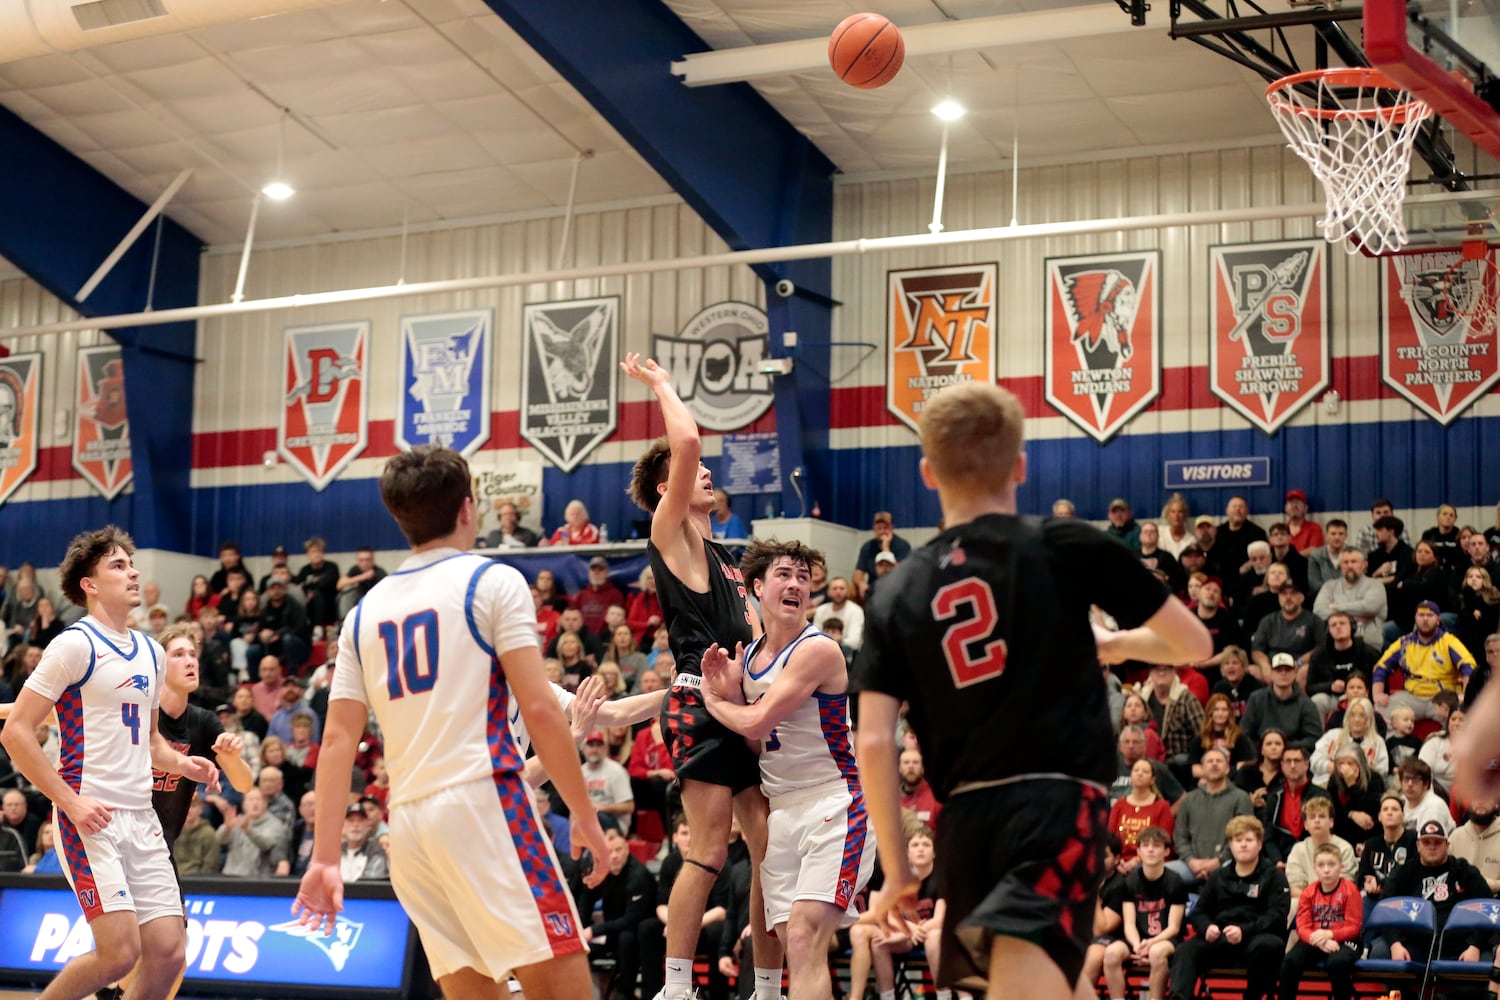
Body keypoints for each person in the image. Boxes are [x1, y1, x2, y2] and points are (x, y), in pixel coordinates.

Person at [851, 382, 1211, 1000]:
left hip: (963, 820)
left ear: (927, 473)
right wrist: (1119, 643)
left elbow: (876, 740)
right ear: (1020, 464)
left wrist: (895, 868)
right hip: (1054, 805)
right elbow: (1194, 645)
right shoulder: (1063, 544)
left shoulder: (893, 588)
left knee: (1027, 984)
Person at [291, 446, 607, 1000]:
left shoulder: (363, 612)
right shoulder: (493, 581)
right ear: (468, 509)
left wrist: (323, 857)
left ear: (399, 517)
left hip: (409, 826)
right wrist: (582, 813)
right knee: (565, 988)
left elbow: (338, 740)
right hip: (484, 804)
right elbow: (539, 709)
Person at [0, 526, 220, 1000]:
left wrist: (185, 766)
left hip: (142, 819)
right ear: (90, 584)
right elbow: (15, 733)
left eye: (131, 563)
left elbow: (153, 742)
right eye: (118, 565)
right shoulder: (73, 645)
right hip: (90, 816)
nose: (133, 571)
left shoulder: (151, 653)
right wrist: (70, 802)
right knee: (120, 952)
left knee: (168, 951)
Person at [621, 354, 782, 1000]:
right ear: (667, 489)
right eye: (691, 473)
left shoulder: (731, 559)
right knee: (710, 850)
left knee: (771, 858)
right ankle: (676, 987)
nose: (705, 470)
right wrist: (661, 383)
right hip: (698, 704)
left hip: (740, 709)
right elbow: (685, 440)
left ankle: (767, 987)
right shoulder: (674, 537)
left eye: (708, 470)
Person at [698, 538, 877, 1000]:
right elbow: (756, 742)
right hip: (783, 812)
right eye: (784, 574)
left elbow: (757, 720)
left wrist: (716, 701)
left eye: (804, 577)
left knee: (803, 937)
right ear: (758, 586)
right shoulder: (752, 657)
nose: (796, 584)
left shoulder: (819, 650)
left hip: (836, 803)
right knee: (791, 946)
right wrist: (733, 694)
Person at [1167, 815, 1289, 1000]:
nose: (1243, 845)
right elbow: (1199, 911)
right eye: (1238, 840)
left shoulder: (1274, 877)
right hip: (1221, 938)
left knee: (1271, 946)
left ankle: (1252, 997)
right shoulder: (1219, 876)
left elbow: (1277, 916)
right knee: (1185, 950)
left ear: (1259, 844)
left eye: (1248, 840)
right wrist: (1207, 927)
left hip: (1254, 937)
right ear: (1230, 845)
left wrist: (1244, 931)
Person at [1379, 820, 1492, 966]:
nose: (1432, 847)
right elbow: (1385, 910)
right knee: (1380, 951)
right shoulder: (1403, 873)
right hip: (1415, 946)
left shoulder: (1464, 871)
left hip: (1460, 947)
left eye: (1437, 843)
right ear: (1418, 845)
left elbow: (1488, 910)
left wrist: (1475, 945)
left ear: (1447, 845)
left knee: (1488, 960)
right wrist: (1395, 943)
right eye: (1426, 842)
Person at [1102, 826, 1186, 1000]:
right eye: (1145, 845)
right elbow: (1129, 923)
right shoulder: (1129, 883)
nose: (1150, 849)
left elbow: (1174, 928)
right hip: (1137, 940)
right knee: (1111, 954)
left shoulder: (1175, 882)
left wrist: (1151, 944)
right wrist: (1137, 945)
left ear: (1166, 851)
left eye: (1156, 845)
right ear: (1138, 851)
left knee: (1156, 952)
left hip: (1165, 939)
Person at [1277, 843, 1361, 1000]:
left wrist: (1331, 934)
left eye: (1331, 864)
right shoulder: (1309, 892)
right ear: (1315, 868)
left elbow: (1354, 927)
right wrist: (1319, 941)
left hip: (1346, 939)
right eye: (1321, 865)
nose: (1326, 869)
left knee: (1337, 963)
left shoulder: (1350, 890)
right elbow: (1302, 927)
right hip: (1315, 938)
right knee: (1290, 962)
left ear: (1341, 867)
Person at [1372, 600, 1476, 721]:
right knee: (1380, 709)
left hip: (1443, 697)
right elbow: (1381, 667)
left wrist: (1465, 696)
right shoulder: (1404, 643)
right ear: (1415, 619)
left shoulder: (1449, 642)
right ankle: (1393, 740)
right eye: (1421, 615)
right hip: (1412, 696)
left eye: (1430, 615)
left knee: (1461, 715)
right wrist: (1378, 694)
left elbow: (1468, 666)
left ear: (1438, 620)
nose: (1425, 619)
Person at [1170, 747, 1253, 885]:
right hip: (1190, 865)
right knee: (1152, 873)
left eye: (1219, 761)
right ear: (1202, 769)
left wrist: (1218, 861)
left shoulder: (1241, 798)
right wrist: (1191, 861)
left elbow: (1243, 836)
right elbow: (1180, 837)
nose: (1214, 764)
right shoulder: (1189, 799)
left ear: (1227, 768)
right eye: (1210, 761)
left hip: (1228, 864)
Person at [853, 512, 912, 602]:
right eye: (879, 528)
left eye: (886, 528)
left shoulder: (903, 546)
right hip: (874, 588)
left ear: (892, 527)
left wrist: (886, 548)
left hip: (896, 587)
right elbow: (857, 573)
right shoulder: (868, 546)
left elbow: (900, 573)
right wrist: (861, 584)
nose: (882, 531)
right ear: (874, 529)